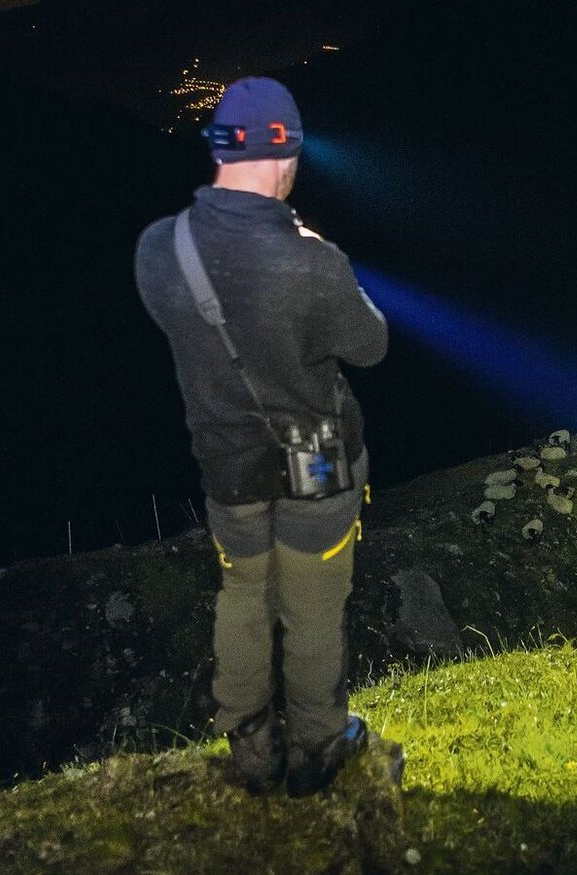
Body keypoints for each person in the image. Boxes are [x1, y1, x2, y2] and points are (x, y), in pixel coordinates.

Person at [134, 77, 394, 796]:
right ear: (286, 158)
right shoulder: (311, 262)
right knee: (312, 606)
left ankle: (249, 742)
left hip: (227, 466)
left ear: (221, 151)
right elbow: (371, 343)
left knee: (244, 590)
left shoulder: (159, 248)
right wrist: (319, 249)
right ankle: (317, 745)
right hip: (317, 463)